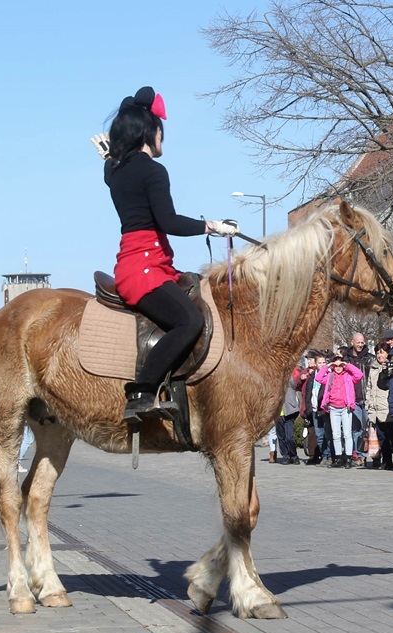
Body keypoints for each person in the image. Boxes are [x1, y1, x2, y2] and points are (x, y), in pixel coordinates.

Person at [102, 85, 239, 421]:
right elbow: (168, 221)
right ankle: (142, 392)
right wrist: (212, 226)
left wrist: (110, 154)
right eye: (161, 131)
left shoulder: (115, 171)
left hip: (141, 262)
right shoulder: (152, 170)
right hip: (144, 267)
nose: (164, 138)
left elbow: (109, 170)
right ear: (151, 131)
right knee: (188, 321)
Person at [318, 353, 365, 468]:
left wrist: (347, 365)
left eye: (340, 365)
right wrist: (327, 366)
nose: (338, 368)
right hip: (333, 408)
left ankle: (348, 458)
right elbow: (318, 378)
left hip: (345, 408)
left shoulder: (348, 376)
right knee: (336, 435)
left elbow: (359, 374)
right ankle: (338, 458)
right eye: (336, 366)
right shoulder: (330, 376)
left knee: (348, 434)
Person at [342, 333, 374, 464]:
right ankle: (360, 455)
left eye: (362, 342)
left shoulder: (370, 358)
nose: (360, 345)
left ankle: (375, 455)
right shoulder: (345, 359)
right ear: (352, 342)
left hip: (367, 397)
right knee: (356, 429)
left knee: (370, 428)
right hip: (353, 398)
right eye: (358, 342)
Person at [364, 343, 393, 469]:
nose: (379, 355)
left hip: (386, 407)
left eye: (382, 352)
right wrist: (368, 403)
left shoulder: (391, 366)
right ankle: (386, 461)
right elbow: (369, 387)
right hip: (375, 407)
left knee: (392, 436)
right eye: (377, 352)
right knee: (381, 436)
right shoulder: (374, 367)